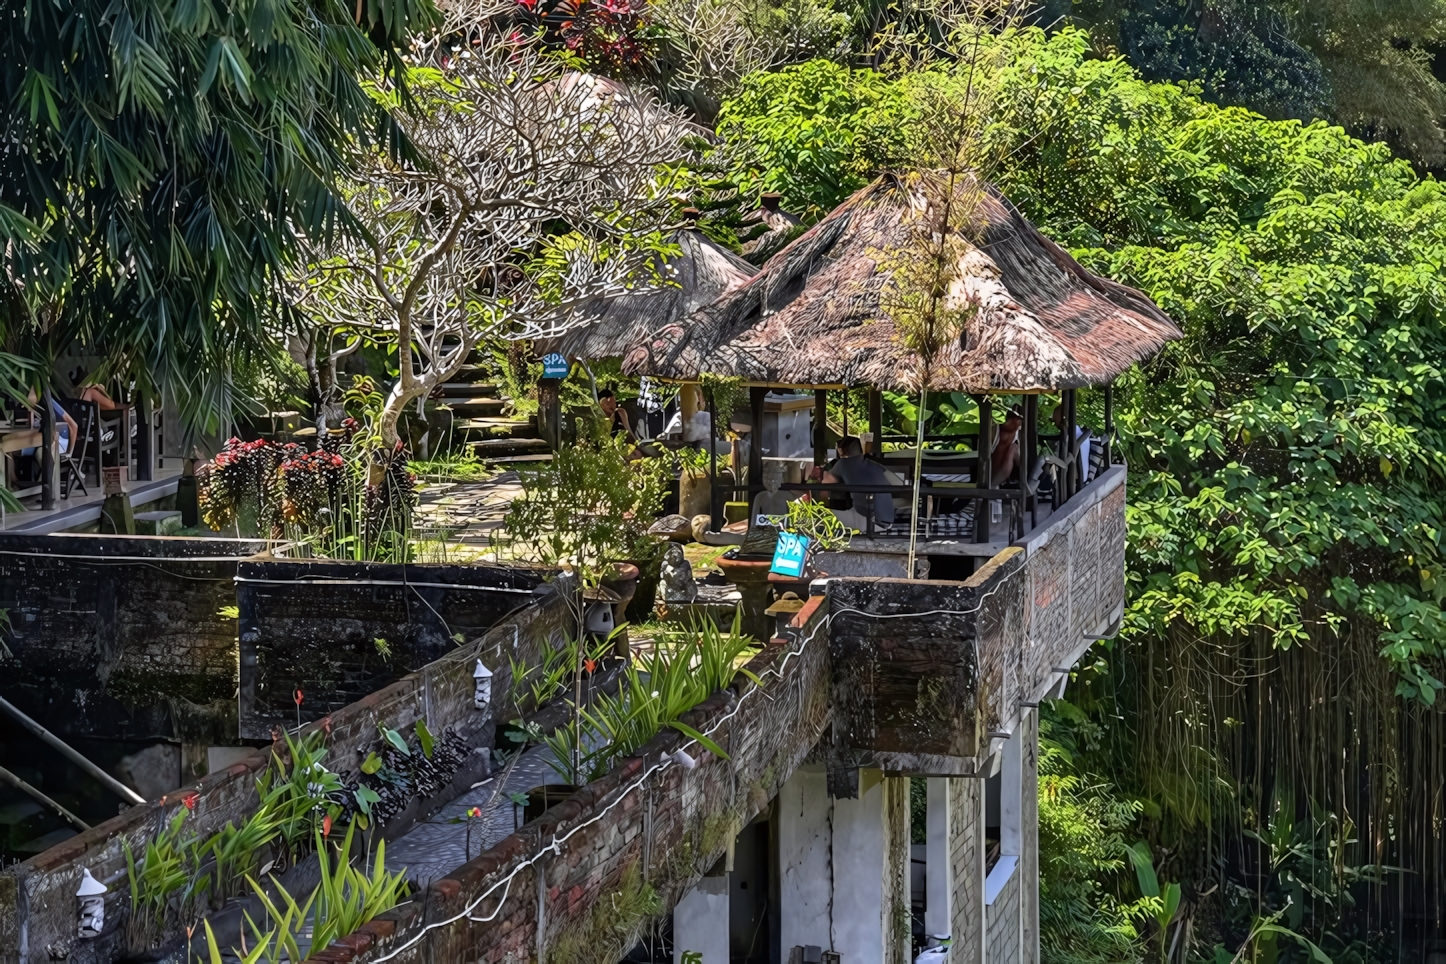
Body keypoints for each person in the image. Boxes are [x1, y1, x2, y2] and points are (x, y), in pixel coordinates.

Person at [811, 436, 895, 530]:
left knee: (819, 515)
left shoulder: (844, 463)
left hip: (868, 519)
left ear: (843, 451)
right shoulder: (873, 464)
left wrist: (815, 473)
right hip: (885, 519)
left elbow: (828, 479)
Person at [1051, 403, 1091, 483]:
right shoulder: (1079, 433)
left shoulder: (1072, 439)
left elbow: (1065, 462)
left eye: (1056, 419)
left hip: (1075, 483)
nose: (1055, 423)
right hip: (1082, 478)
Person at [988, 408, 1024, 483]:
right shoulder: (994, 430)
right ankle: (993, 483)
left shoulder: (1019, 435)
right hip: (992, 467)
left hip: (1010, 468)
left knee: (1013, 448)